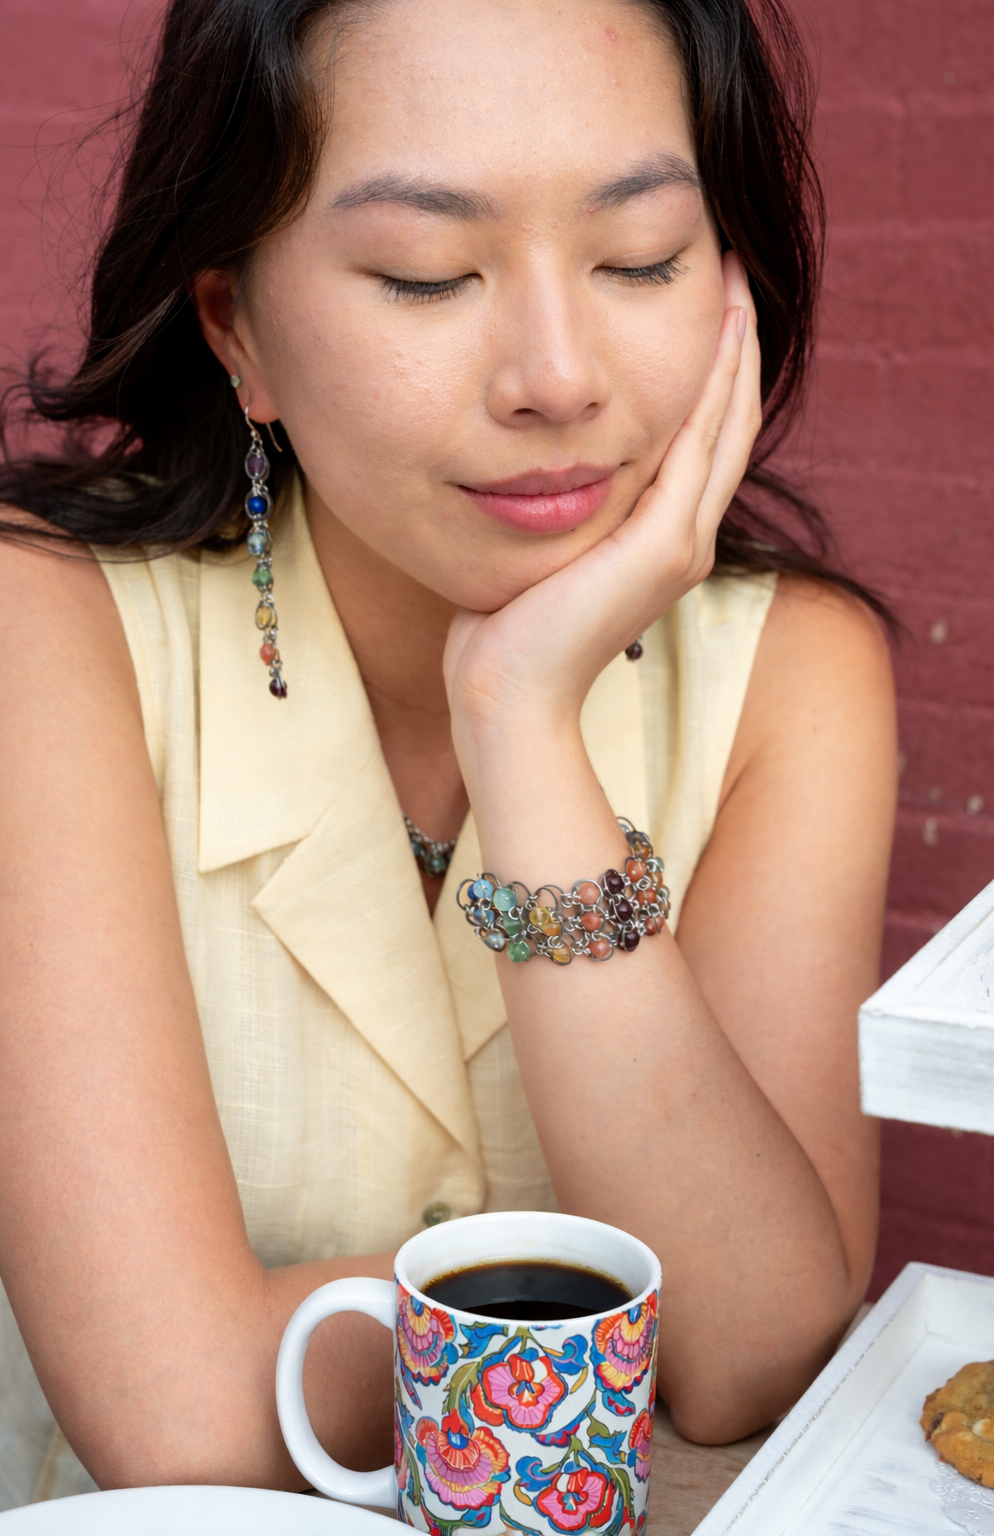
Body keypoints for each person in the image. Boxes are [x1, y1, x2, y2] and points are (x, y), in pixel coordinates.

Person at [0, 0, 897, 1507]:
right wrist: (621, 1332)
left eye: (640, 260)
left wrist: (526, 724)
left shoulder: (792, 671)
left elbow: (756, 1353)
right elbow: (184, 1419)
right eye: (427, 275)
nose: (558, 373)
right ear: (235, 326)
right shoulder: (44, 628)